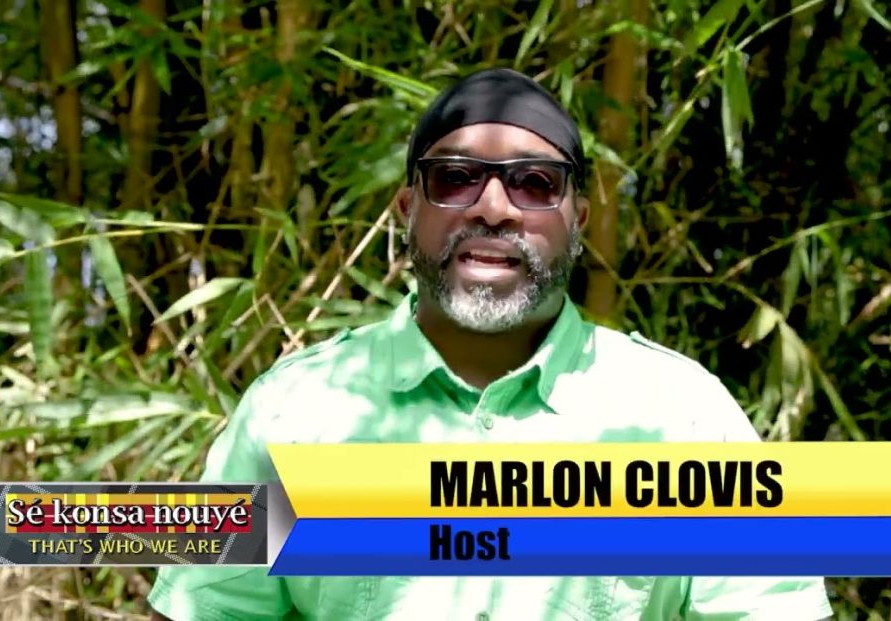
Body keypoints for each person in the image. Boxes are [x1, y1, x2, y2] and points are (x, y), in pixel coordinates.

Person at [147, 67, 834, 620]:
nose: (494, 207)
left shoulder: (685, 418)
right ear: (408, 209)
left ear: (580, 220)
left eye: (535, 183)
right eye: (456, 177)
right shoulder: (291, 411)